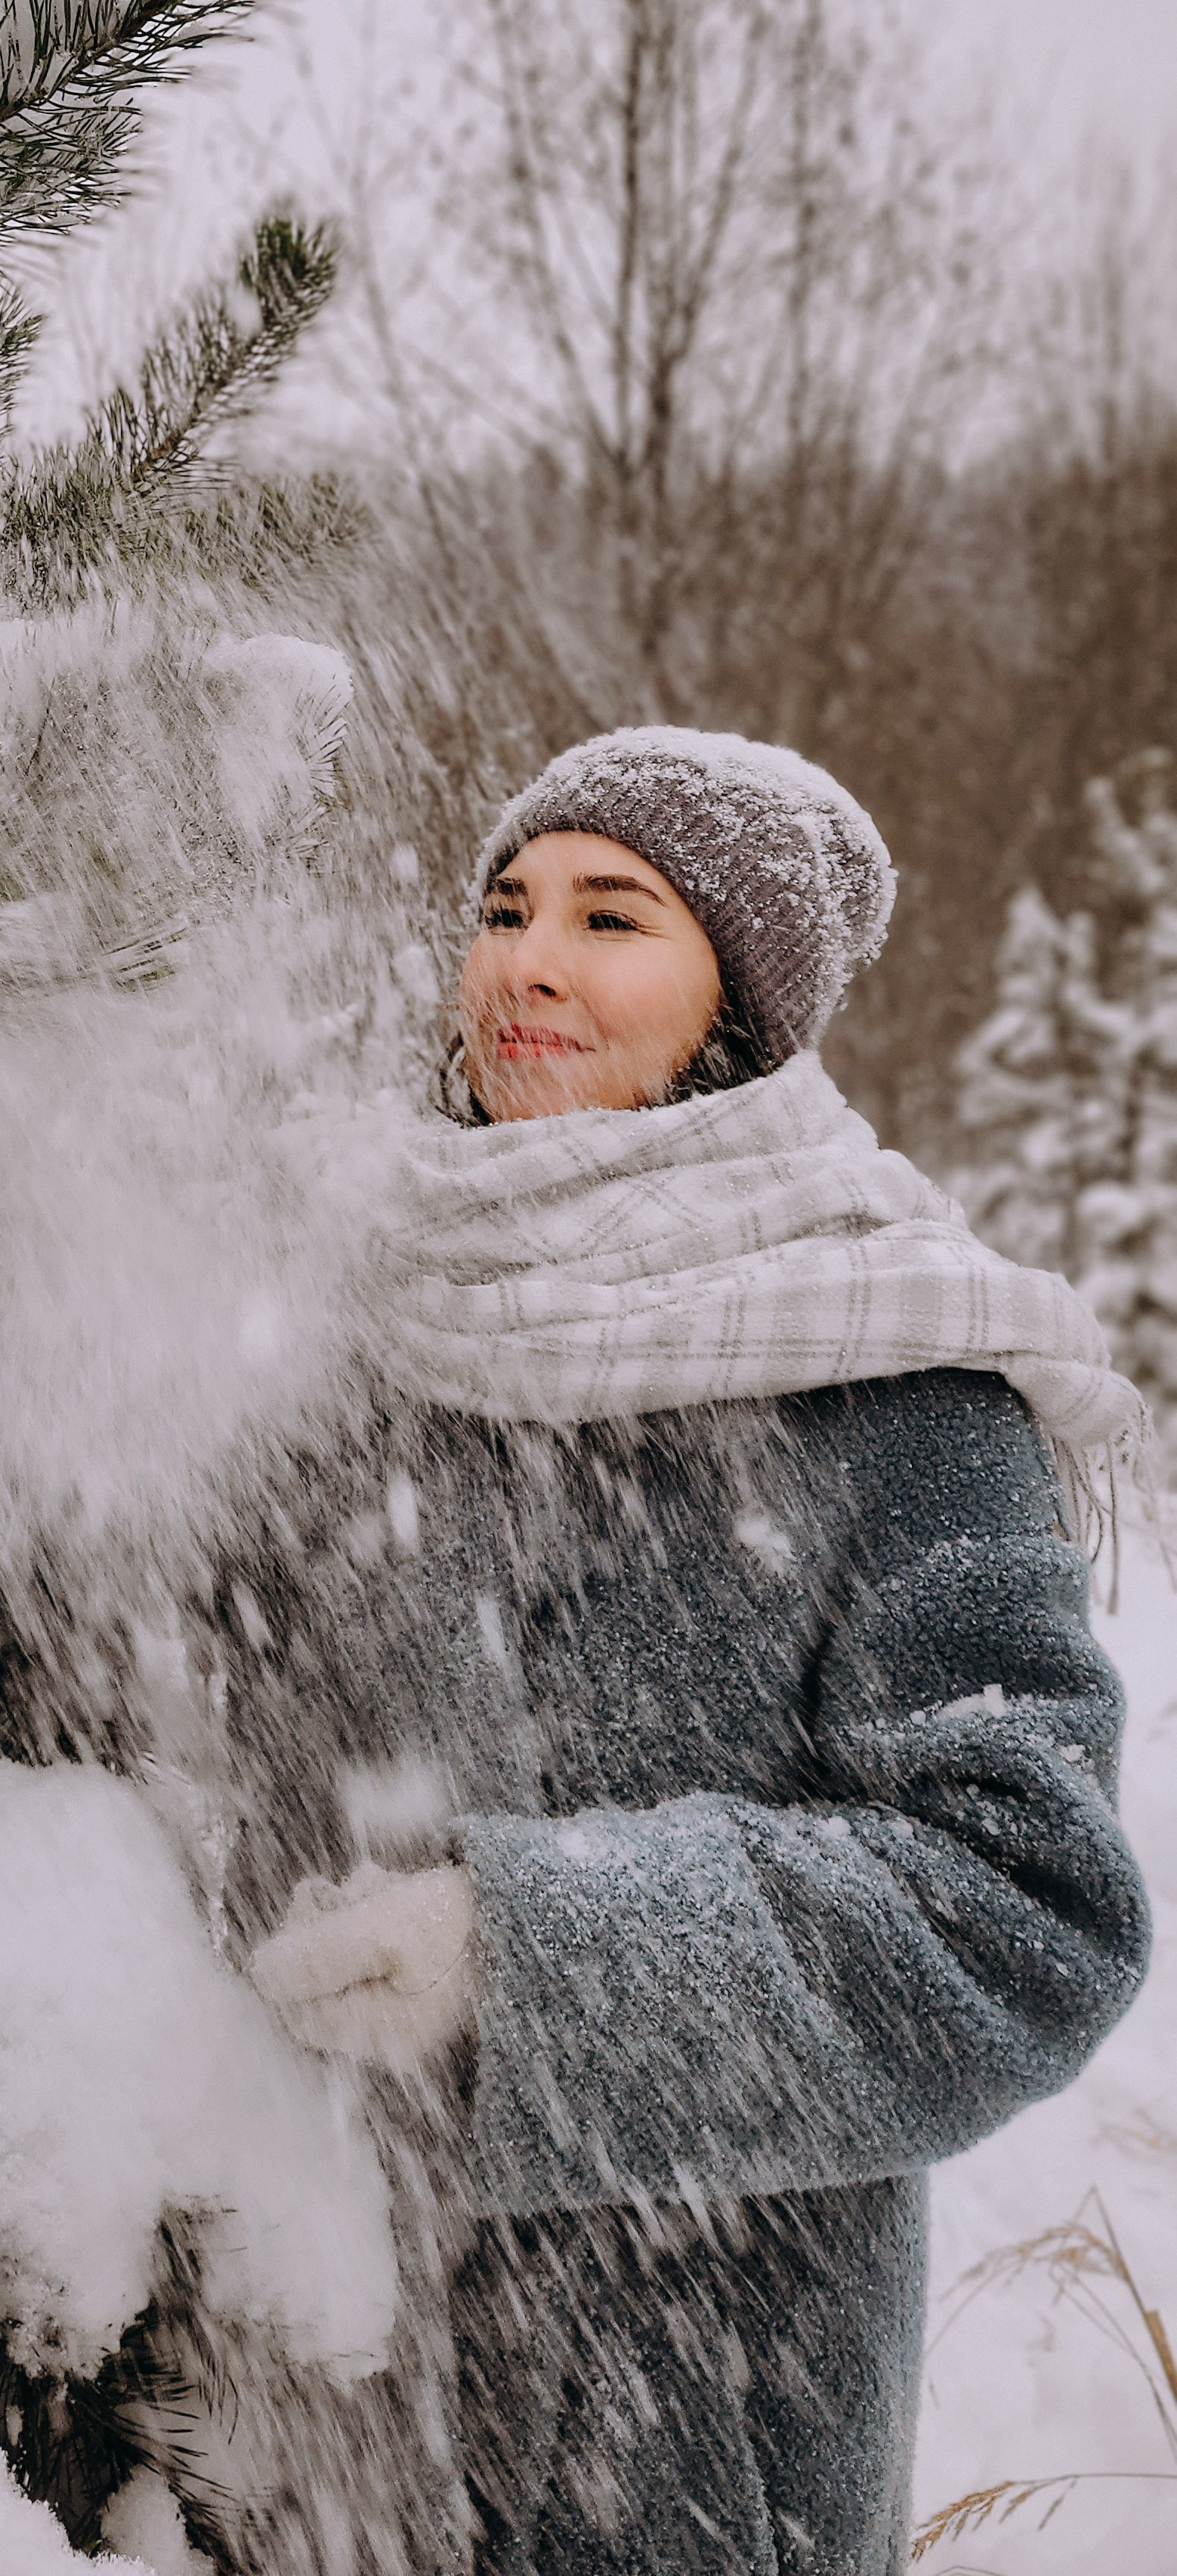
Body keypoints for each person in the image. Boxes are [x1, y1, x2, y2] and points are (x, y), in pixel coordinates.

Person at [229, 726, 1151, 2576]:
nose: (525, 962)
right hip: (299, 2365)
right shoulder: (343, 1331)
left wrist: (530, 1950)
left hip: (691, 2417)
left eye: (611, 915)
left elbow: (1028, 1908)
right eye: (503, 907)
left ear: (738, 998)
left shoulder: (896, 1374)